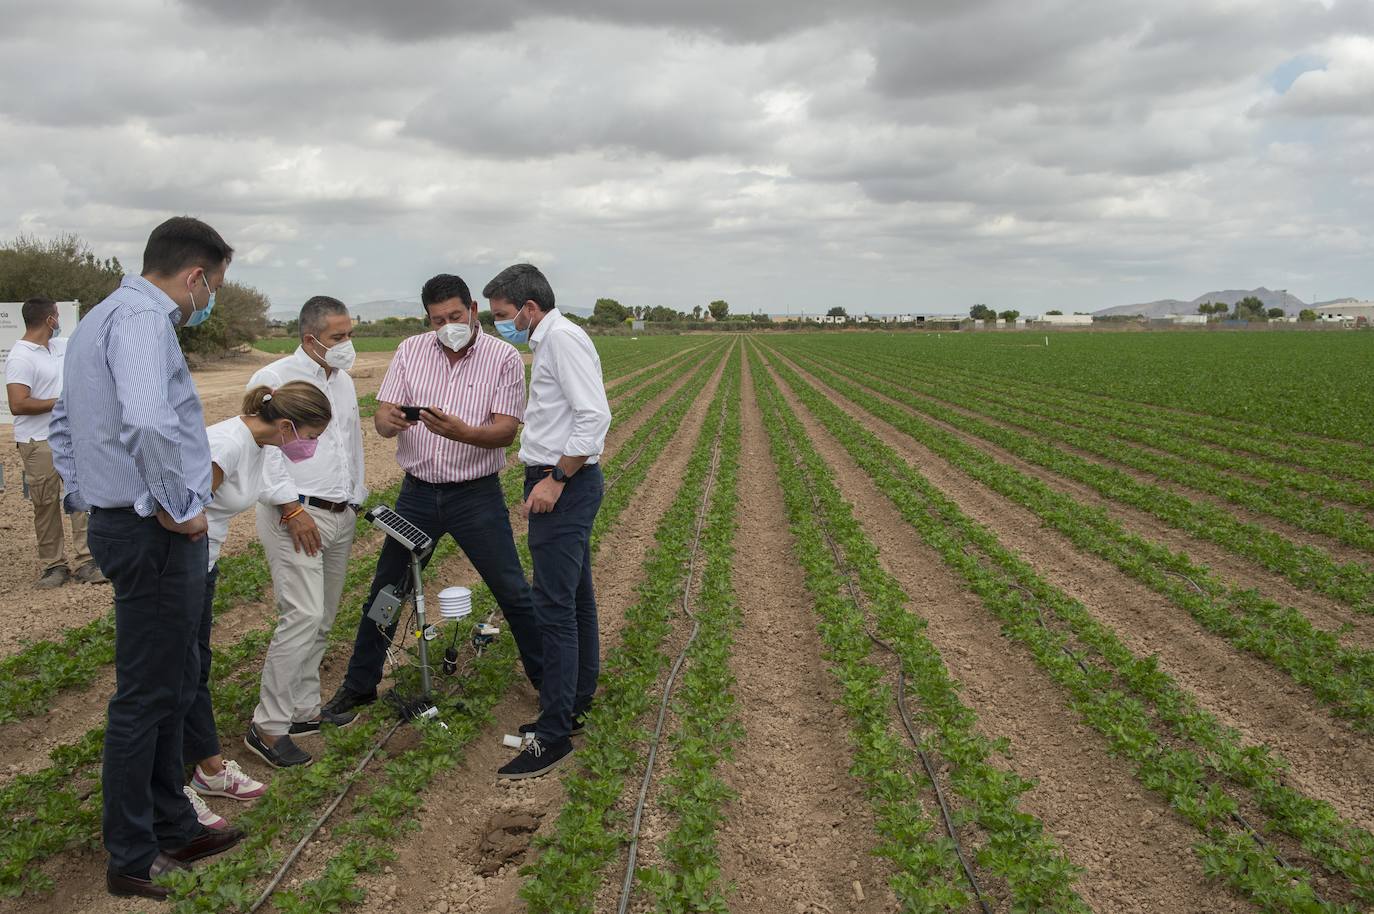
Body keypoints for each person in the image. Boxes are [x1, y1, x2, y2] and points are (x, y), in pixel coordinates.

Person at [49, 216, 245, 900]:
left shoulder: (99, 317)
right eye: (213, 285)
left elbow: (63, 424)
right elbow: (149, 420)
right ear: (196, 276)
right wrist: (175, 506)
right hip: (154, 532)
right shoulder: (141, 321)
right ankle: (132, 852)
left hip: (126, 523)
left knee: (171, 681)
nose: (210, 298)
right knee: (146, 695)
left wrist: (87, 494)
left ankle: (172, 821)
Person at [321, 273, 542, 720]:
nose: (448, 326)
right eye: (438, 319)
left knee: (513, 592)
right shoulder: (409, 350)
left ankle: (550, 684)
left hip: (475, 497)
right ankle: (360, 685)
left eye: (456, 316)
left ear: (473, 311)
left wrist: (464, 433)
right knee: (387, 591)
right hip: (417, 496)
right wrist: (390, 422)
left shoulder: (503, 358)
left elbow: (504, 431)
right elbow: (383, 415)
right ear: (428, 319)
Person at [182, 382, 329, 825]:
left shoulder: (260, 444)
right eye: (311, 436)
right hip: (179, 569)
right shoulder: (225, 445)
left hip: (202, 565)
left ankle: (208, 768)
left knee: (195, 668)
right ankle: (172, 786)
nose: (312, 445)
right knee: (175, 674)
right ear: (286, 425)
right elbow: (181, 509)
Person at [485, 263, 610, 780]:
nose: (499, 325)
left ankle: (554, 733)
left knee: (554, 608)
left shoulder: (560, 340)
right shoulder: (552, 338)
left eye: (501, 315)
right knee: (574, 597)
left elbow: (594, 416)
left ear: (529, 309)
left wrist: (555, 478)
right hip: (562, 480)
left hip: (564, 484)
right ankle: (576, 702)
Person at [244, 297, 366, 768]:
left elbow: (348, 443)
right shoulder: (274, 379)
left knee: (324, 616)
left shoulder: (346, 382)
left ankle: (302, 710)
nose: (346, 345)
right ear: (309, 337)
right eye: (338, 337)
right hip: (295, 515)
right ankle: (268, 726)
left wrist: (354, 497)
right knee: (301, 614)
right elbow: (266, 450)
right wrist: (292, 508)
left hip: (339, 511)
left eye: (348, 334)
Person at [5, 296, 103, 587]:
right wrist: (62, 403)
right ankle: (54, 566)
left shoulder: (61, 347)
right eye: (57, 316)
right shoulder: (20, 356)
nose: (59, 321)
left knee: (80, 498)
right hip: (38, 442)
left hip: (71, 438)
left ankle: (87, 561)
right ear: (50, 320)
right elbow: (18, 404)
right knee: (45, 503)